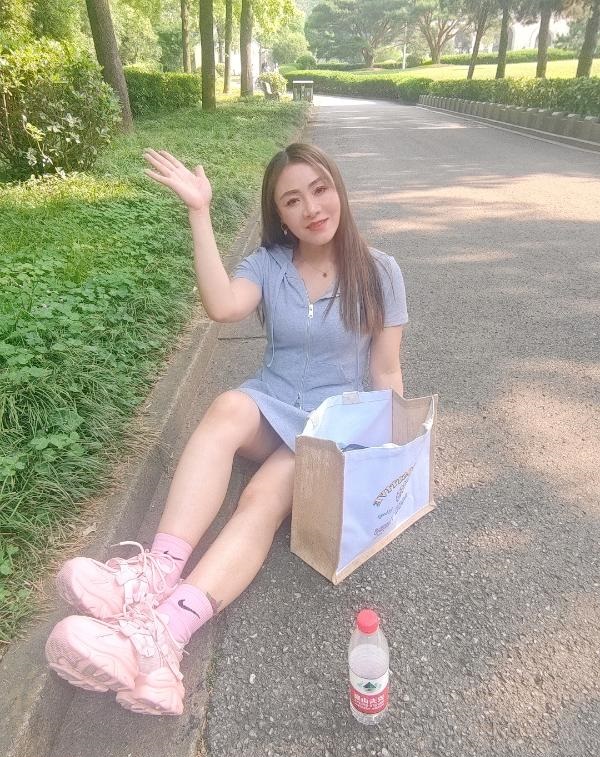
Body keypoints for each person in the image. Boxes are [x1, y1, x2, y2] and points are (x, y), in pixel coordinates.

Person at [44, 143, 409, 716]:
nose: (312, 208)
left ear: (337, 188)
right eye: (292, 200)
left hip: (330, 428)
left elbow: (386, 371)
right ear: (279, 214)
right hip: (271, 404)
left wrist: (392, 454)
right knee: (227, 407)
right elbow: (221, 306)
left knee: (263, 496)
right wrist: (199, 211)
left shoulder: (380, 271)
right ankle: (154, 573)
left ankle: (163, 636)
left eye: (319, 189)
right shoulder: (268, 264)